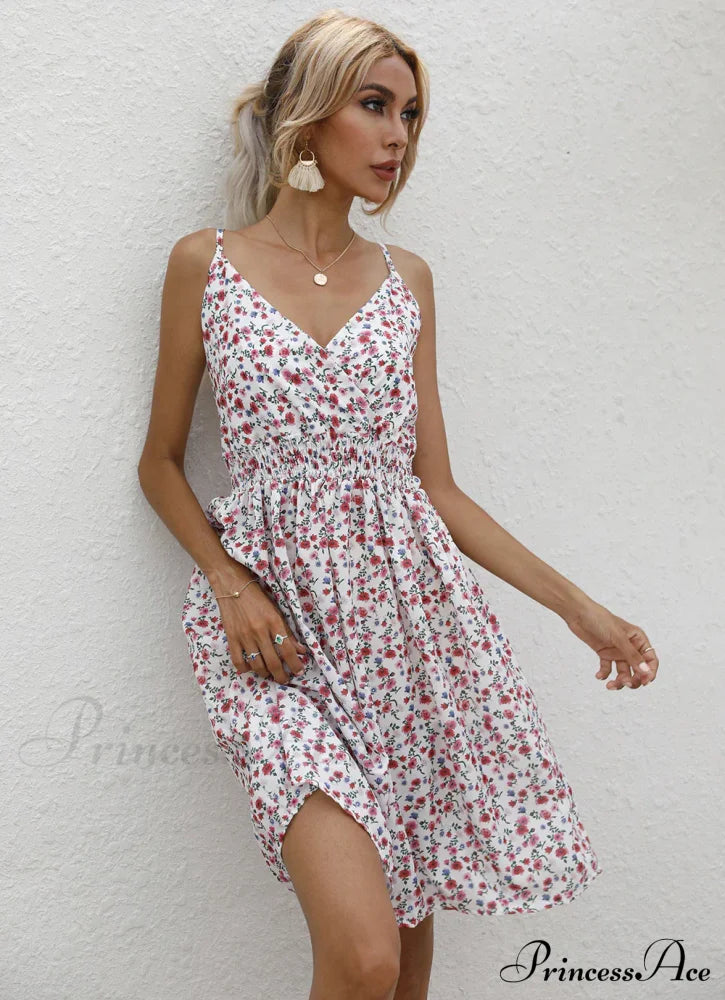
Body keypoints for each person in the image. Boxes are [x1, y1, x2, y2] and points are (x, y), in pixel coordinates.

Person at [137, 10, 659, 1000]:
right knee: (365, 956)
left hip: (407, 642)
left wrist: (580, 609)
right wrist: (227, 584)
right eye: (374, 106)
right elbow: (158, 463)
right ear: (307, 115)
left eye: (410, 114)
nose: (397, 137)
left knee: (404, 972)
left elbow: (434, 488)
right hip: (275, 642)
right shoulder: (205, 263)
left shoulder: (404, 279)